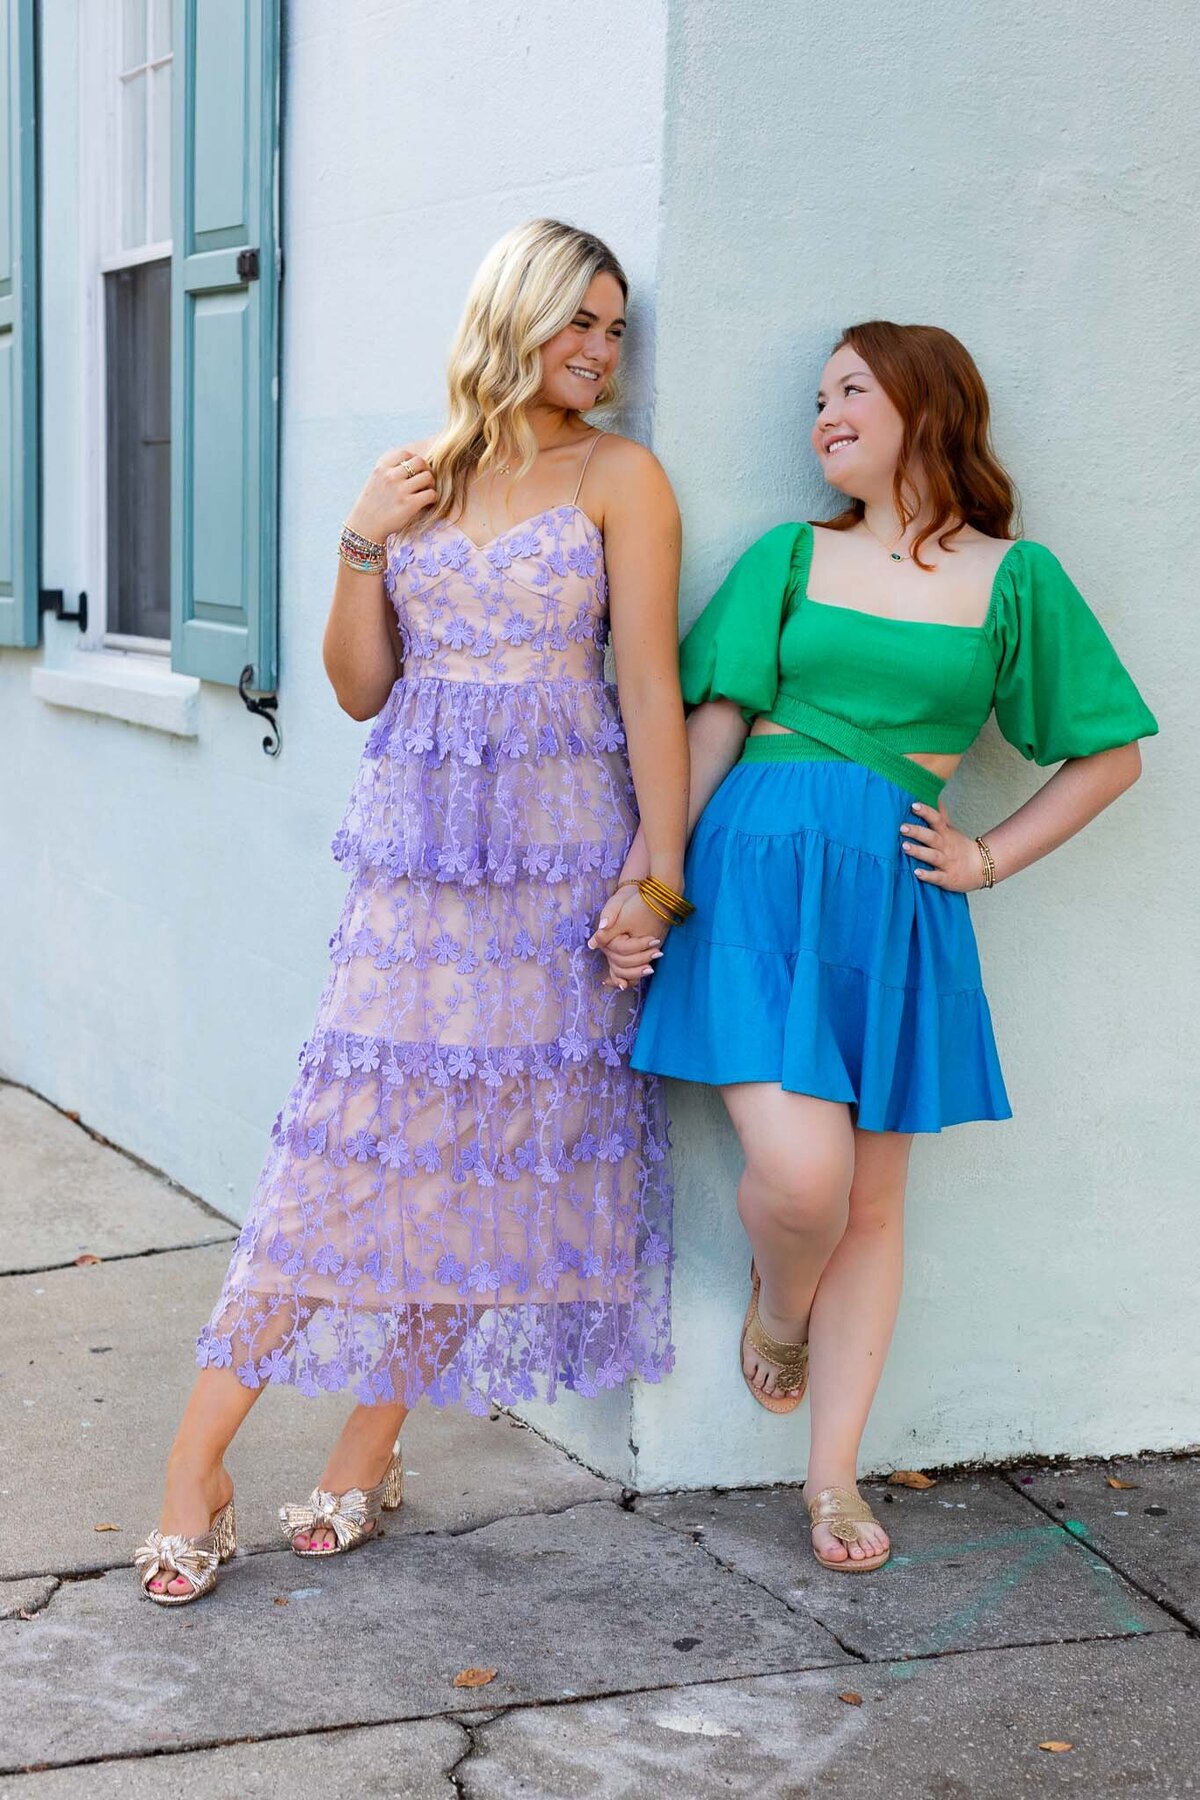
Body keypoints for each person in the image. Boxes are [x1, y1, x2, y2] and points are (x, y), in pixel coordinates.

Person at [135, 219, 687, 1604]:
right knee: (341, 1156)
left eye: (617, 329)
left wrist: (655, 874)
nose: (602, 351)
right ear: (515, 314)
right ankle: (192, 1469)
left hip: (563, 867)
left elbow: (649, 692)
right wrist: (359, 544)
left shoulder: (622, 476)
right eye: (582, 321)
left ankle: (365, 1449)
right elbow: (360, 687)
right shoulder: (416, 479)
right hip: (418, 876)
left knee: (485, 1170)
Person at [604, 320, 1157, 1575]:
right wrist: (651, 881)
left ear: (927, 404)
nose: (824, 414)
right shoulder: (788, 557)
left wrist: (989, 855)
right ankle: (780, 1305)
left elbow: (1110, 753)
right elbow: (709, 730)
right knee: (806, 1184)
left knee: (876, 1201)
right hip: (752, 885)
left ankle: (836, 1479)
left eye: (850, 389)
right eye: (816, 397)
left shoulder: (1017, 580)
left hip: (896, 909)